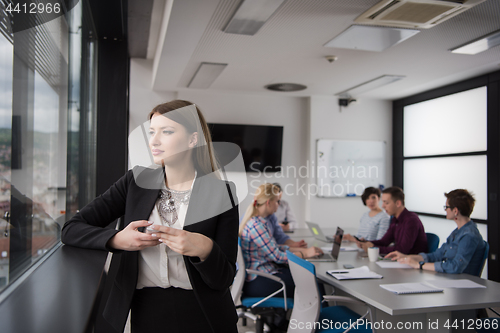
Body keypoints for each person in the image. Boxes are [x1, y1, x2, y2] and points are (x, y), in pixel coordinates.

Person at [61, 100, 240, 333]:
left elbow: (224, 278)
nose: (154, 141)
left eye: (166, 132)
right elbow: (71, 229)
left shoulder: (222, 192)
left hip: (206, 315)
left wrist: (205, 249)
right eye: (152, 132)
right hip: (147, 311)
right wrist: (118, 239)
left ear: (192, 139)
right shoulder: (135, 182)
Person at [240, 183, 323, 299]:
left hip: (265, 273)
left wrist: (299, 249)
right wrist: (305, 253)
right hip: (259, 280)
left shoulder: (260, 222)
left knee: (311, 279)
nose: (278, 205)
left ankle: (319, 315)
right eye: (277, 202)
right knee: (313, 285)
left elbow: (276, 247)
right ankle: (323, 316)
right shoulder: (256, 226)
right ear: (268, 202)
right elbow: (278, 256)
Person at [385, 189, 486, 275]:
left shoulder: (469, 235)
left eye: (446, 207)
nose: (445, 210)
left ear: (455, 211)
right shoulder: (457, 232)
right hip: (449, 279)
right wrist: (408, 257)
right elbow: (437, 255)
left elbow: (455, 267)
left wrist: (420, 265)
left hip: (461, 284)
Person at [357, 186, 427, 255]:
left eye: (386, 203)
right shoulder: (395, 219)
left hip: (412, 262)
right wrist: (367, 242)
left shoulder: (411, 220)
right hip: (401, 260)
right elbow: (384, 241)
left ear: (398, 203)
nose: (383, 206)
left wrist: (373, 247)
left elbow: (402, 250)